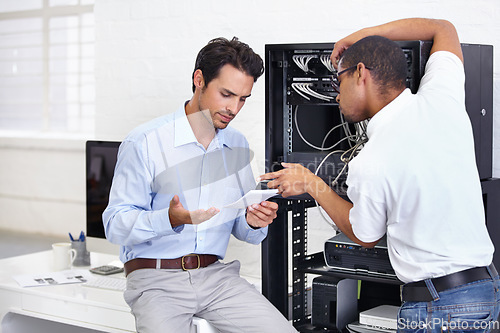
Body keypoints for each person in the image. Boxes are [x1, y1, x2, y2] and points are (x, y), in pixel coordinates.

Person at [259, 18, 499, 332]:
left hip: (437, 308)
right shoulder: (443, 99)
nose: (336, 95)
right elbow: (445, 29)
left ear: (361, 73)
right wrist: (364, 35)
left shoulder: (372, 158)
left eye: (338, 82)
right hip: (487, 292)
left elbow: (365, 235)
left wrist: (312, 183)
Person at [103, 37, 297, 333]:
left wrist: (254, 221)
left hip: (217, 278)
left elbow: (245, 231)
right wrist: (169, 219)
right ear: (199, 80)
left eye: (243, 99)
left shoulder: (237, 145)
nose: (234, 108)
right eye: (227, 94)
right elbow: (115, 225)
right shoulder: (145, 142)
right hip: (156, 281)